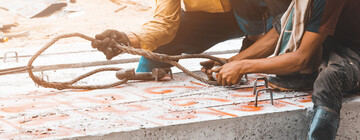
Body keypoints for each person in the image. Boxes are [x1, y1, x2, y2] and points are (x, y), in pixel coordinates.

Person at [209, 0, 360, 140]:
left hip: (355, 54)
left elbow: (302, 58)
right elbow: (275, 35)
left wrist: (244, 66)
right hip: (334, 45)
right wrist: (230, 62)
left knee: (329, 79)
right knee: (287, 64)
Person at [91, 0, 291, 73]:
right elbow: (165, 24)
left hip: (271, 16)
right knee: (163, 45)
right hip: (220, 19)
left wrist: (235, 62)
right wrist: (127, 38)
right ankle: (145, 76)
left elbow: (287, 22)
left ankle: (254, 44)